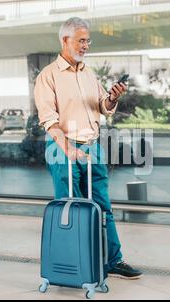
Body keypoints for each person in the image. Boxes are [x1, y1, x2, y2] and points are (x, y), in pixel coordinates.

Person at [34, 17, 142, 279]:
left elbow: (102, 107)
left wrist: (113, 97)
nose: (86, 45)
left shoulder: (88, 73)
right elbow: (49, 120)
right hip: (63, 149)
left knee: (102, 207)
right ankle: (76, 264)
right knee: (72, 209)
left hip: (93, 148)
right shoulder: (48, 76)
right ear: (65, 40)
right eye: (81, 40)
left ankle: (113, 260)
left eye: (88, 41)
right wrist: (68, 147)